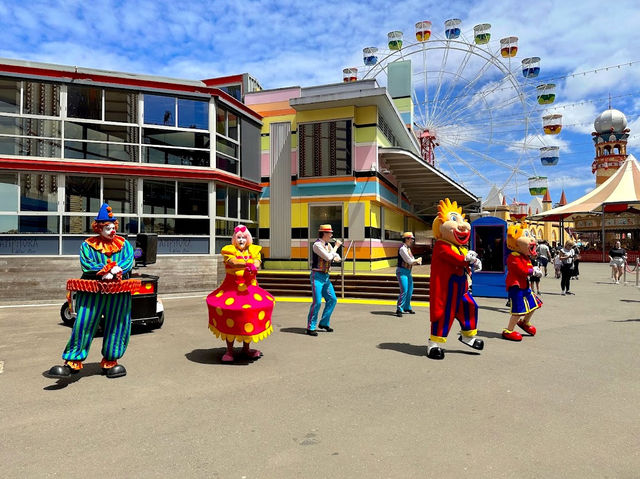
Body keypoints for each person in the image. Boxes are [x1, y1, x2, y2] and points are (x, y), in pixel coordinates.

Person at [46, 203, 139, 379]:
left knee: (118, 325)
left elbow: (128, 261)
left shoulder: (124, 244)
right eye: (107, 227)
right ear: (98, 227)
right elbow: (86, 263)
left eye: (113, 227)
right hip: (92, 291)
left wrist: (116, 269)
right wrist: (105, 269)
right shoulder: (88, 245)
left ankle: (111, 361)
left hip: (119, 292)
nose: (111, 231)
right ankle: (72, 362)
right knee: (84, 323)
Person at [206, 225, 274, 363]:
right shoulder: (229, 250)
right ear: (234, 239)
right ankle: (229, 351)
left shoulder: (254, 250)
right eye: (239, 238)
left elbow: (257, 262)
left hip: (250, 290)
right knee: (229, 314)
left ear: (248, 239)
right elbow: (233, 262)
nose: (241, 240)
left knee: (249, 315)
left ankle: (246, 348)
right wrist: (247, 264)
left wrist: (254, 264)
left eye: (244, 237)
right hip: (231, 290)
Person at [427, 198, 483, 360]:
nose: (463, 225)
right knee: (443, 314)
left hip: (461, 288)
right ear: (440, 227)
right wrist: (468, 259)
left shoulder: (459, 247)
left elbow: (463, 261)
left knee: (470, 307)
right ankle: (434, 344)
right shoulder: (441, 246)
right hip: (446, 290)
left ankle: (467, 336)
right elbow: (456, 259)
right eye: (454, 220)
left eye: (462, 220)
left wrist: (473, 263)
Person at [502, 222, 543, 341]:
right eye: (526, 235)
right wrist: (532, 271)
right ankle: (509, 330)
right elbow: (521, 270)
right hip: (516, 287)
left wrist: (534, 270)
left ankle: (525, 322)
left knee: (535, 304)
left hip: (525, 286)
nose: (531, 238)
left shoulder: (524, 256)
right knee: (518, 310)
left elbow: (528, 268)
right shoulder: (513, 257)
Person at [306, 224, 342, 336]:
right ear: (324, 233)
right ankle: (310, 327)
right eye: (330, 233)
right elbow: (328, 257)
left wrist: (336, 255)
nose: (331, 234)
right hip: (317, 276)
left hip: (326, 276)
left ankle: (324, 323)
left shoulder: (328, 245)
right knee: (317, 302)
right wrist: (336, 247)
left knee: (332, 299)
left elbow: (336, 257)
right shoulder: (317, 245)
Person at [396, 231, 422, 317]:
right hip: (402, 271)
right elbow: (409, 261)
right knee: (404, 290)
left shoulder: (408, 249)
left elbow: (412, 260)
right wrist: (417, 260)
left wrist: (417, 261)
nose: (412, 241)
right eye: (411, 239)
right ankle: (399, 308)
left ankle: (407, 307)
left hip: (408, 272)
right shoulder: (402, 249)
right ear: (406, 239)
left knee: (410, 290)